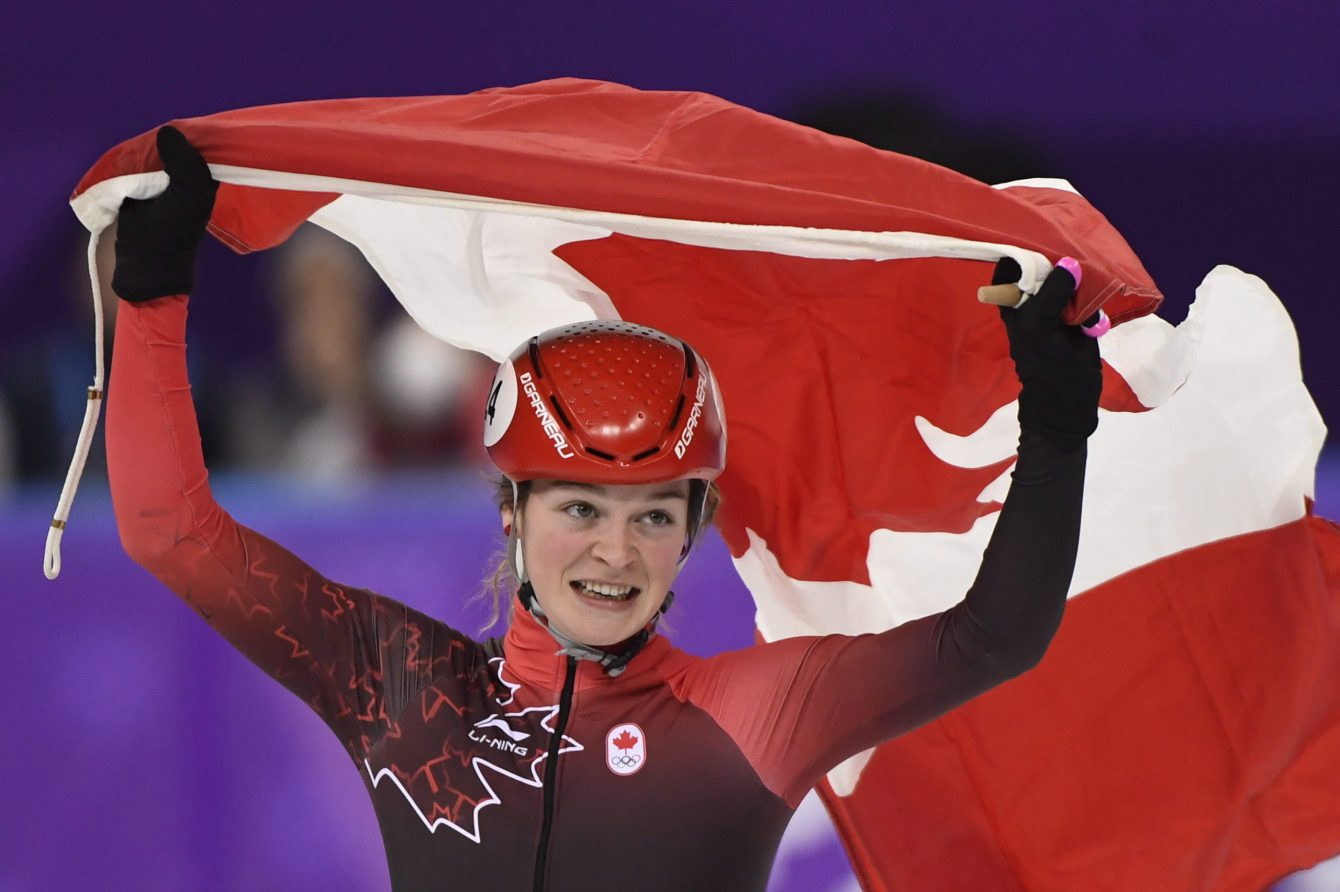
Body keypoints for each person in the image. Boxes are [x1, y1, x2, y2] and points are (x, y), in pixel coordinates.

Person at [107, 127, 1101, 891]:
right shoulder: (398, 685)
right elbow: (170, 531)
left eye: (654, 515)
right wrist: (151, 300)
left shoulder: (752, 714)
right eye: (580, 506)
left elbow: (992, 637)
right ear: (510, 507)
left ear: (692, 531)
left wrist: (1054, 431)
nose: (615, 551)